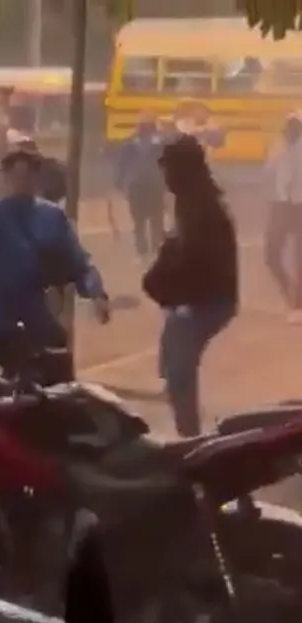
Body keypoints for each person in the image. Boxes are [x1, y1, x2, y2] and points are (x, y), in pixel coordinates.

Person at [0, 149, 110, 383]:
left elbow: (78, 260)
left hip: (36, 315)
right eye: (15, 176)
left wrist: (97, 293)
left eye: (27, 175)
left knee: (57, 374)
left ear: (37, 179)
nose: (21, 182)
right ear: (4, 179)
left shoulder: (51, 217)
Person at [143, 135, 238, 437]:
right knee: (173, 363)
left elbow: (199, 264)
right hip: (197, 299)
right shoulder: (191, 201)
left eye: (169, 169)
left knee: (179, 371)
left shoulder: (204, 209)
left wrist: (173, 295)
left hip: (206, 302)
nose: (165, 177)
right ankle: (188, 428)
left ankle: (191, 438)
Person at [264, 114, 302, 322]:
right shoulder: (278, 147)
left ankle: (298, 305)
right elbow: (268, 173)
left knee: (300, 257)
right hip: (280, 204)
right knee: (271, 254)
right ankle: (289, 291)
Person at [115, 114, 169, 259]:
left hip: (137, 186)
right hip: (155, 185)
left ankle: (142, 251)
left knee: (139, 221)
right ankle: (156, 249)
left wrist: (119, 183)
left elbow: (122, 165)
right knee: (156, 219)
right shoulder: (161, 143)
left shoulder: (130, 143)